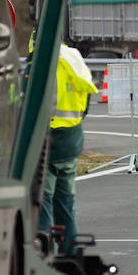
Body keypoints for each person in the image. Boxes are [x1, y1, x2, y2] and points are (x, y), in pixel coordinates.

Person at [37, 44, 98, 255]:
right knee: (65, 204)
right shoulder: (74, 59)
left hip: (49, 144)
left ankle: (44, 255)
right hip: (72, 141)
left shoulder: (40, 65)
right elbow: (86, 102)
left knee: (42, 203)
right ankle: (71, 252)